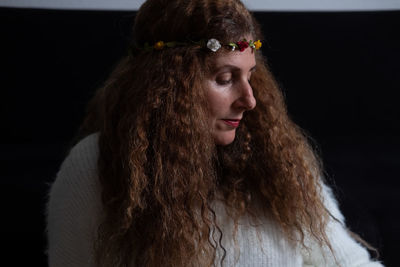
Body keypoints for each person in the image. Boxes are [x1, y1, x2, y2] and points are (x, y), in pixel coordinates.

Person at [46, 0, 384, 266]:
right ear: (167, 87)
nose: (249, 100)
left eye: (250, 76)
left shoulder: (278, 160)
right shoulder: (94, 168)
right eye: (225, 79)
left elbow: (349, 263)